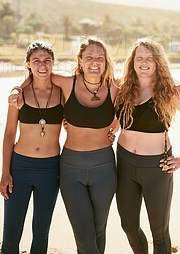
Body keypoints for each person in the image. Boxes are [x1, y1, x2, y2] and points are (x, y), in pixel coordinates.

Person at [8, 37, 119, 254]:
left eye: (100, 57)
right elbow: (38, 75)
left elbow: (140, 90)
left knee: (98, 230)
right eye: (89, 57)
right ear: (80, 60)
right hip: (71, 166)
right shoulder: (67, 83)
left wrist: (114, 127)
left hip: (104, 166)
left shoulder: (116, 86)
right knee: (84, 234)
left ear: (106, 61)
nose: (94, 62)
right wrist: (15, 88)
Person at [114, 38, 180, 254]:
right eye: (140, 58)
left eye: (150, 58)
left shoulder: (171, 92)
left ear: (158, 63)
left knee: (159, 232)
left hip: (158, 168)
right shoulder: (122, 87)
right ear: (132, 62)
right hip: (125, 163)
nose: (144, 62)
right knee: (128, 225)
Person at [0, 41, 64, 254]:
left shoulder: (62, 93)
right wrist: (5, 172)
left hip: (50, 169)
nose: (42, 65)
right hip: (21, 167)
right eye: (36, 61)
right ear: (28, 64)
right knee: (11, 232)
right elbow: (9, 134)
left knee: (41, 231)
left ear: (54, 62)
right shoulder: (19, 96)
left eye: (47, 60)